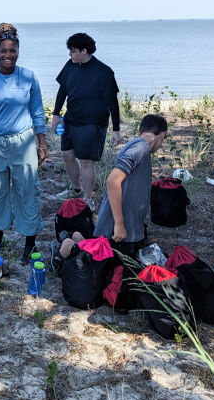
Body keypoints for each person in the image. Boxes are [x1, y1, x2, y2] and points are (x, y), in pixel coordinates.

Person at [0, 23, 47, 264]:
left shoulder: (28, 77)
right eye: (3, 50)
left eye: (12, 50)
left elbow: (38, 112)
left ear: (18, 51)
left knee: (28, 190)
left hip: (23, 142)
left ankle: (30, 243)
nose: (8, 55)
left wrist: (42, 144)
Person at [51, 32, 121, 203]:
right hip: (71, 119)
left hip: (93, 123)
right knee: (67, 155)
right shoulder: (70, 65)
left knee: (86, 161)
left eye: (73, 51)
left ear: (84, 51)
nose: (70, 54)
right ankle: (76, 189)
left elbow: (112, 101)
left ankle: (87, 199)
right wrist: (56, 114)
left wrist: (116, 129)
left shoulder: (104, 72)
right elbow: (62, 90)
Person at [93, 114, 168, 258]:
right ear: (162, 135)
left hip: (128, 233)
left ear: (140, 131)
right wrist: (119, 224)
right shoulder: (141, 147)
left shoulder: (141, 148)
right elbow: (112, 181)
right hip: (116, 236)